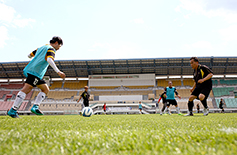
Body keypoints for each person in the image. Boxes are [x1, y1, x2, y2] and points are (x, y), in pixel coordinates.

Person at [7, 36, 66, 118]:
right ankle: (13, 110)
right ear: (56, 43)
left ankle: (35, 107)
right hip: (35, 72)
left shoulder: (42, 47)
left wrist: (36, 58)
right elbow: (49, 60)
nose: (59, 48)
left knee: (45, 89)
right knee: (26, 89)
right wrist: (58, 72)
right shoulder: (51, 49)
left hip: (34, 72)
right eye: (59, 46)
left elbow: (29, 55)